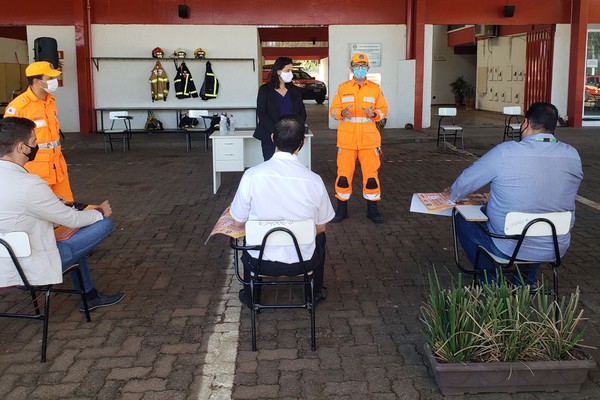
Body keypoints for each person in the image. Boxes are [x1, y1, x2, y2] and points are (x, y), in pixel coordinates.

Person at [446, 102, 583, 285]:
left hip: (508, 247)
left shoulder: (506, 152)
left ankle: (490, 279)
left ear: (525, 123)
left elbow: (466, 182)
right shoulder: (572, 155)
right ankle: (525, 280)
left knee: (461, 218)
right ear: (553, 127)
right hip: (555, 246)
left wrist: (452, 194)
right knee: (537, 216)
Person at [0, 117, 124, 312]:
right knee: (100, 224)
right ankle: (88, 296)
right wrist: (99, 211)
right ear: (20, 147)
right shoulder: (31, 185)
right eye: (33, 142)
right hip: (27, 266)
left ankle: (89, 295)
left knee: (72, 232)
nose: (36, 146)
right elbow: (72, 219)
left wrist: (50, 203)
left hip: (4, 260)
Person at [230, 114, 335, 307]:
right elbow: (321, 227)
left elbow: (237, 223)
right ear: (302, 143)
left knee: (247, 233)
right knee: (320, 236)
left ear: (272, 138)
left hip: (260, 261)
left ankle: (252, 295)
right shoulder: (314, 180)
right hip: (303, 261)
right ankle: (313, 293)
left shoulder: (251, 176)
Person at [329, 53, 389, 224]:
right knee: (343, 176)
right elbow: (333, 109)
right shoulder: (342, 88)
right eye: (356, 66)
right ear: (351, 68)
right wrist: (341, 113)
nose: (360, 69)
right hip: (347, 141)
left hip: (369, 141)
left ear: (368, 68)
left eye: (363, 66)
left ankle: (373, 210)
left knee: (371, 177)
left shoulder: (375, 89)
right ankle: (341, 210)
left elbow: (384, 109)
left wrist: (375, 114)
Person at [4, 61, 74, 202]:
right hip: (36, 172)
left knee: (67, 208)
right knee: (43, 214)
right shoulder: (19, 107)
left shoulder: (50, 101)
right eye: (50, 79)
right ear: (36, 81)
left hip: (58, 169)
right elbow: (8, 144)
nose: (55, 82)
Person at [255, 57, 307, 161]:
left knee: (290, 167)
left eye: (291, 70)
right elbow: (262, 113)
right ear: (278, 71)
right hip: (270, 136)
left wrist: (298, 131)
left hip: (291, 137)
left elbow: (302, 113)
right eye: (288, 70)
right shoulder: (265, 90)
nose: (290, 73)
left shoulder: (295, 90)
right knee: (271, 165)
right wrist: (276, 132)